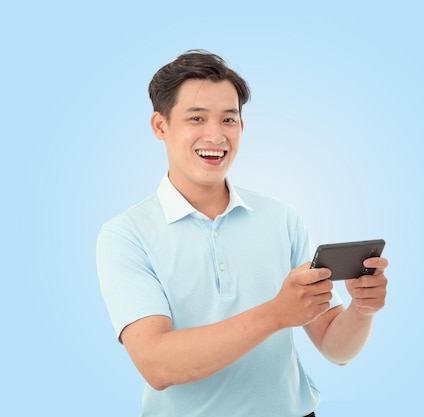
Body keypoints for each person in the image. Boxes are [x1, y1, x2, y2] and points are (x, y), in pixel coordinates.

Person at [96, 49, 388, 417]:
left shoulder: (281, 218)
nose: (215, 135)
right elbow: (157, 365)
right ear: (160, 126)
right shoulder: (125, 235)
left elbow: (335, 347)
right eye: (196, 118)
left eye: (228, 119)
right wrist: (276, 314)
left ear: (242, 127)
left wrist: (362, 309)